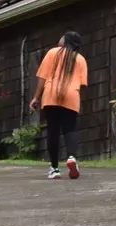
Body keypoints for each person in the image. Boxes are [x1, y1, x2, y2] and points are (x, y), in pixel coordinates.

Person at [29, 31, 88, 180]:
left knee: (53, 130)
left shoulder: (52, 53)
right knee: (70, 129)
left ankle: (54, 169)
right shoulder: (80, 59)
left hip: (51, 95)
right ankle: (72, 157)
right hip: (71, 96)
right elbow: (82, 85)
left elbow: (42, 78)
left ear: (65, 40)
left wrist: (36, 97)